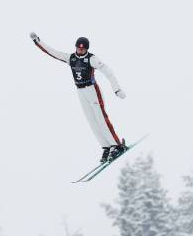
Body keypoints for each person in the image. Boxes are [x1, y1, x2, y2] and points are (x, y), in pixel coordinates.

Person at [30, 32, 127, 163]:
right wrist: (37, 42)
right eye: (79, 48)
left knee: (101, 118)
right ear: (75, 47)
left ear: (87, 49)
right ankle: (106, 146)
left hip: (92, 90)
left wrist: (117, 89)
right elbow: (52, 52)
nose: (80, 50)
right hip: (81, 92)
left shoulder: (91, 58)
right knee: (91, 120)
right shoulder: (71, 58)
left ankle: (116, 145)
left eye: (83, 48)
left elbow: (108, 71)